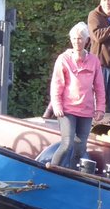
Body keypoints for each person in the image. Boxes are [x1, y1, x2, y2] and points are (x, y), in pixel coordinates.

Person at [45, 22, 106, 169]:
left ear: (86, 40)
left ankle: (72, 174)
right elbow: (56, 84)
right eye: (73, 38)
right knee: (67, 144)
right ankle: (52, 169)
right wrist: (57, 105)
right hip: (67, 109)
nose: (76, 42)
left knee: (80, 148)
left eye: (79, 38)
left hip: (86, 110)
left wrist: (100, 108)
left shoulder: (94, 61)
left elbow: (99, 87)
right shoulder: (63, 59)